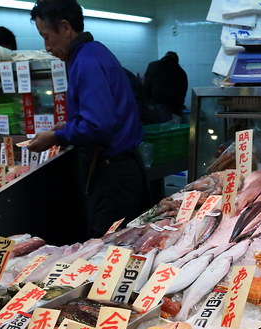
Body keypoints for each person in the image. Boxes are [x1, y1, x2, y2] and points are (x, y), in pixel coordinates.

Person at [26, 0, 150, 238]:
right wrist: (70, 126)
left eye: (46, 37)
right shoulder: (93, 52)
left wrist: (56, 136)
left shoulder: (86, 61)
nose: (47, 47)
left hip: (114, 175)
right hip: (120, 169)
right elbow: (103, 115)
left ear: (65, 28)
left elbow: (97, 125)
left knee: (109, 245)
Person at [143, 51, 188, 120]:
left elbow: (146, 86)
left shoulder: (154, 65)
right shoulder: (182, 72)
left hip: (158, 105)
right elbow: (183, 91)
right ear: (176, 60)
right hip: (175, 106)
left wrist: (145, 102)